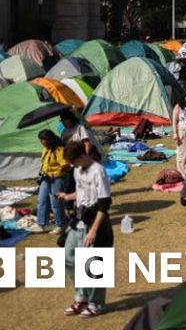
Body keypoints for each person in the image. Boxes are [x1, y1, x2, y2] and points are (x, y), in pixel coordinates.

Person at [57, 140, 113, 318]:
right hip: (78, 221)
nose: (72, 165)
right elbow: (81, 192)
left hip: (94, 222)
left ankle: (96, 303)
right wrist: (68, 196)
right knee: (68, 257)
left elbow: (104, 203)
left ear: (82, 156)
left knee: (92, 264)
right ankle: (81, 297)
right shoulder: (77, 170)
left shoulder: (98, 171)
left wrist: (94, 230)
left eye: (73, 161)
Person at [34, 130, 70, 234]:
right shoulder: (45, 148)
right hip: (46, 178)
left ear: (49, 139)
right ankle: (42, 224)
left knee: (56, 203)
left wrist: (57, 173)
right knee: (42, 200)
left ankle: (61, 225)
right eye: (40, 139)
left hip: (57, 179)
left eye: (43, 139)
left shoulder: (59, 150)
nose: (41, 142)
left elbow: (66, 165)